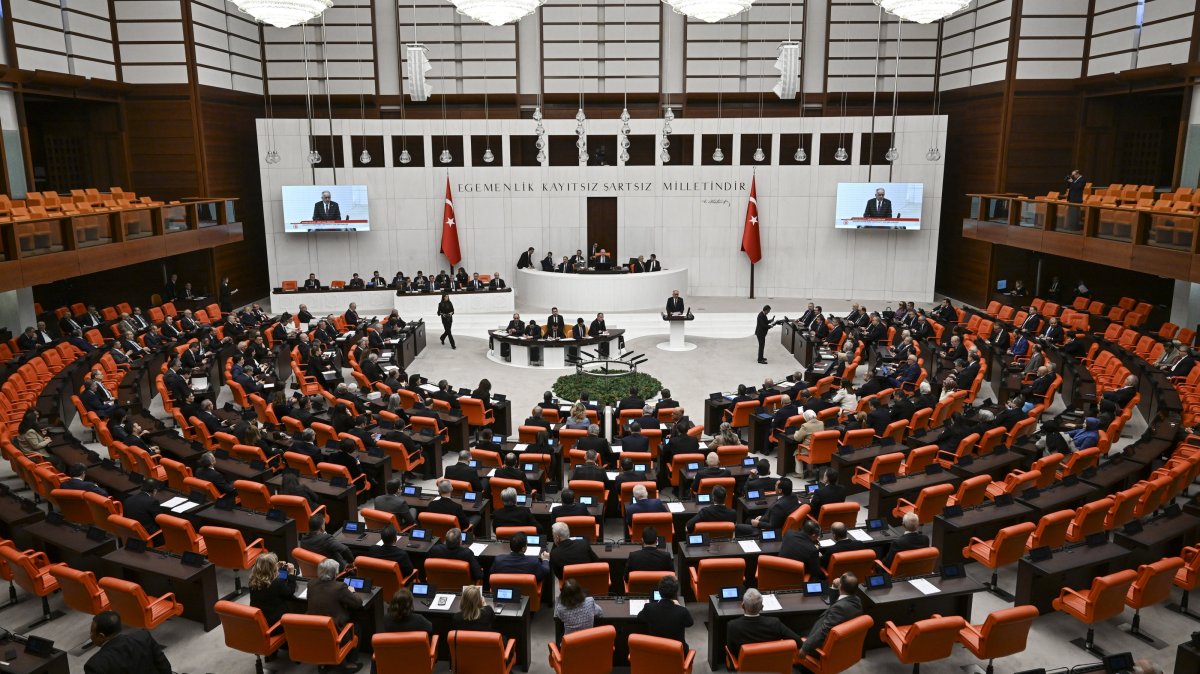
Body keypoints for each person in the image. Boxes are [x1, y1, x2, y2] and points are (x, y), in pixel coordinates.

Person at [84, 611, 172, 674]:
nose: (90, 635)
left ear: (101, 636)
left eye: (91, 632)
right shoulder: (143, 636)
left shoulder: (95, 665)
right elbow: (164, 667)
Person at [727, 588, 803, 658]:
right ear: (762, 607)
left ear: (742, 606)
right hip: (773, 665)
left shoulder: (733, 625)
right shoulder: (774, 623)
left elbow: (732, 650)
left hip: (746, 666)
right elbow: (798, 642)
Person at [799, 573, 863, 655]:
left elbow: (823, 631)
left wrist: (805, 649)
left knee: (799, 632)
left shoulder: (839, 608)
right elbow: (837, 604)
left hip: (822, 647)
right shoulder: (857, 600)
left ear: (841, 587)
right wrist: (834, 587)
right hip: (841, 643)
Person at [637, 575, 694, 650]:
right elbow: (689, 623)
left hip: (655, 651)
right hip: (677, 653)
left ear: (659, 591)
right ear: (676, 593)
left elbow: (639, 617)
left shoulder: (649, 607)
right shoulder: (682, 611)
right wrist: (679, 606)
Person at [249, 552, 297, 626]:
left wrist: (278, 568)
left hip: (258, 622)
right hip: (275, 624)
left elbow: (272, 577)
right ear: (273, 567)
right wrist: (291, 574)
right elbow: (290, 591)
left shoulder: (252, 580)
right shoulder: (277, 583)